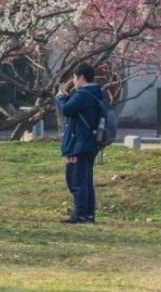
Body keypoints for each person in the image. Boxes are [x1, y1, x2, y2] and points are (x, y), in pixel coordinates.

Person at [55, 63, 105, 224]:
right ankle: (88, 215)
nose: (74, 81)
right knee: (86, 180)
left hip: (79, 144)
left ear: (80, 77)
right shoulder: (95, 93)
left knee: (76, 180)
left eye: (74, 78)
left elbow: (67, 110)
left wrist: (60, 98)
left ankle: (80, 214)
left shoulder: (83, 94)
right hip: (89, 143)